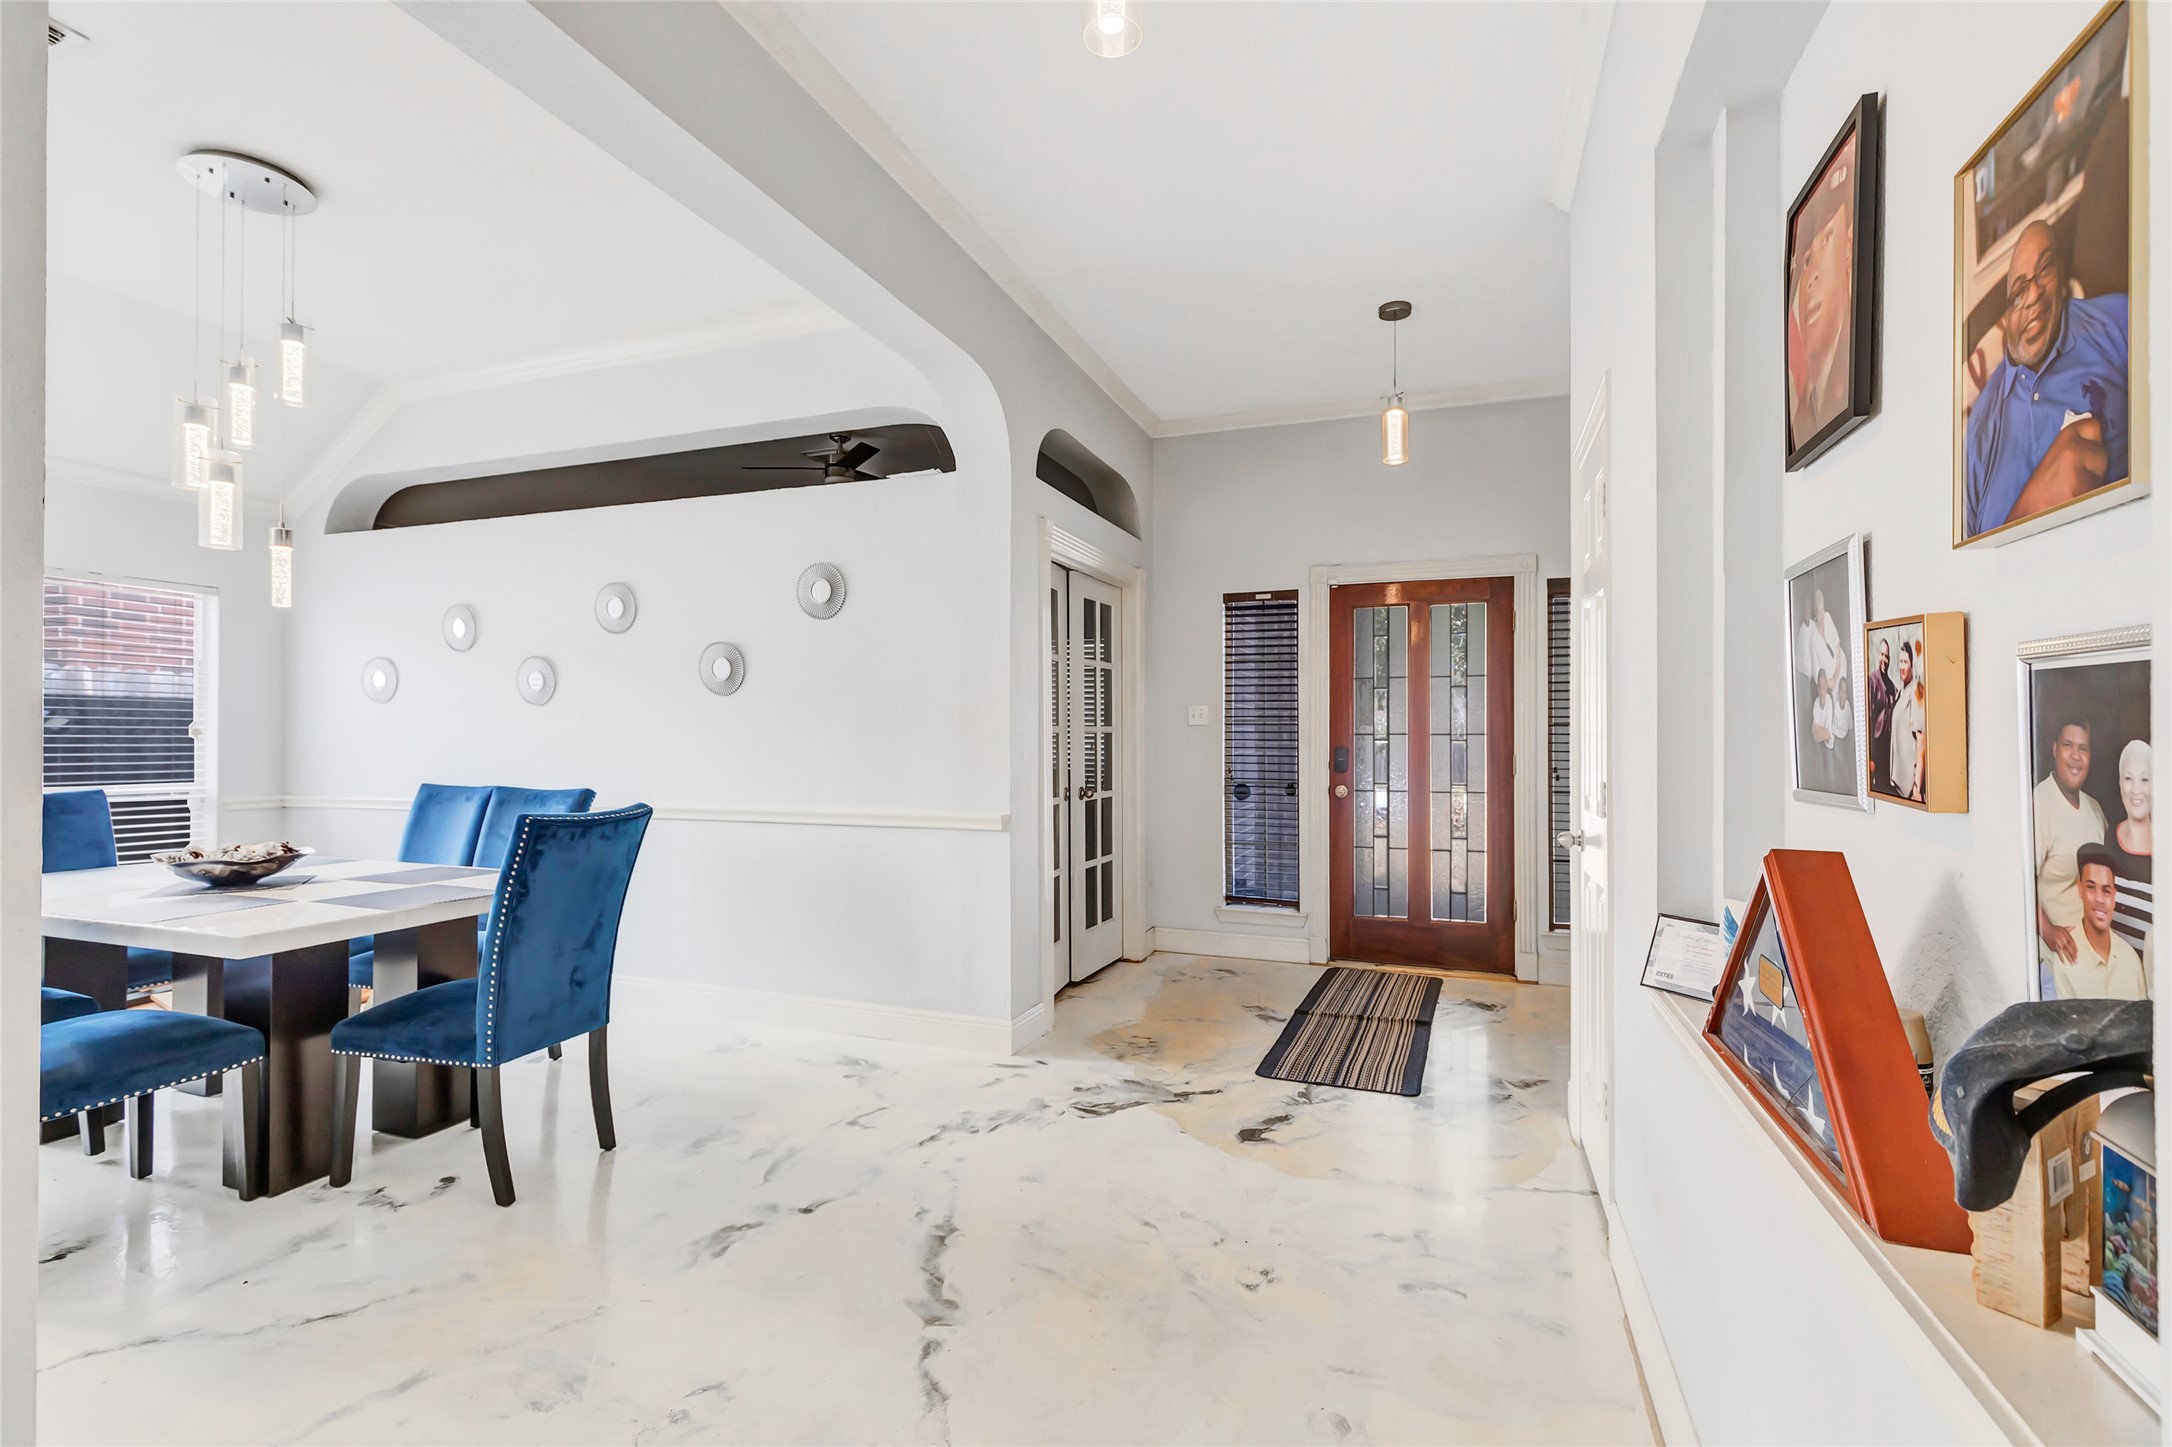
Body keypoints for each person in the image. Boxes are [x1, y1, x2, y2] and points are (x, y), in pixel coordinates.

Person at [1964, 220, 2130, 538]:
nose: (2034, 294)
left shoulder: (2115, 322)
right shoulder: (1981, 428)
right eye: (2019, 291)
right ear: (2008, 315)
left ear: (2062, 274)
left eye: (2045, 271)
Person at [1788, 134, 1856, 450]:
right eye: (1805, 261)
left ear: (1850, 247)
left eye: (1826, 239)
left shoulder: (1845, 385)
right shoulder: (1804, 412)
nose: (1811, 276)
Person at [2036, 717, 2108, 982]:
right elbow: (2018, 883)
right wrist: (2048, 931)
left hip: (2094, 965)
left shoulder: (2094, 809)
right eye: (2068, 745)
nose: (2076, 756)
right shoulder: (2039, 804)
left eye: (2083, 748)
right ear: (2054, 749)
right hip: (2056, 967)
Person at [2053, 843, 2148, 999]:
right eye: (2091, 887)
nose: (2099, 899)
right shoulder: (2066, 957)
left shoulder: (2130, 959)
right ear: (2080, 890)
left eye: (2106, 891)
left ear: (2114, 896)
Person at [2105, 738, 2153, 957]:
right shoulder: (2106, 841)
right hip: (2118, 981)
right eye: (2128, 778)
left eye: (2144, 779)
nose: (2136, 790)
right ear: (2118, 782)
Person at [1889, 641, 1925, 803]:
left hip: (1910, 788)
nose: (1902, 666)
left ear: (1912, 665)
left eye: (1906, 662)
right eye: (1900, 662)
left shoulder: (1915, 691)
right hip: (1898, 783)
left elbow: (1921, 741)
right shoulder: (1900, 693)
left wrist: (1917, 786)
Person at [1865, 638, 1897, 795]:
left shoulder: (1891, 686)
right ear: (1877, 655)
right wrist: (1869, 756)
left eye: (1887, 657)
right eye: (1882, 655)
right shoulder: (1872, 681)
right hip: (1875, 751)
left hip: (1887, 751)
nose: (1884, 659)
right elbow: (1867, 720)